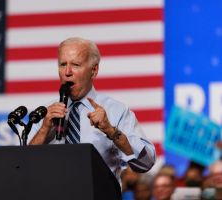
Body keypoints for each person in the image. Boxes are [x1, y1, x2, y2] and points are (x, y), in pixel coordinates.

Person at [28, 37, 156, 182]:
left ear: (94, 70)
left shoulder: (116, 110)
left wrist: (111, 131)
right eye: (63, 64)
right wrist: (44, 130)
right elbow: (23, 167)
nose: (67, 72)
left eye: (76, 65)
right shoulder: (46, 113)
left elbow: (146, 163)